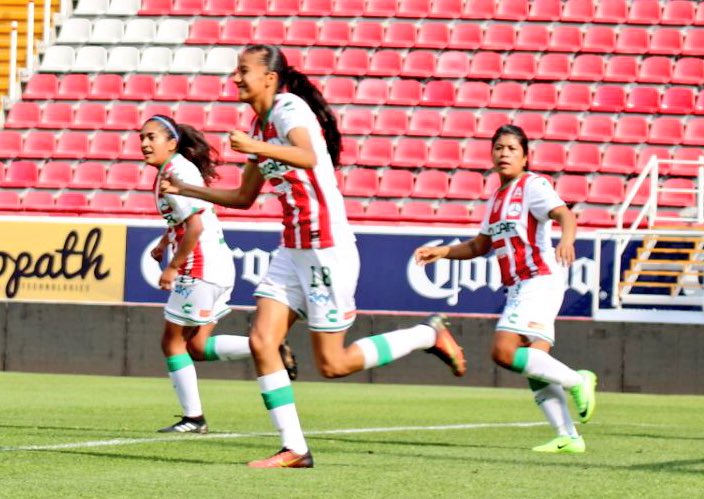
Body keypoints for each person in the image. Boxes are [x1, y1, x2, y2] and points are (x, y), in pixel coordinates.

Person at [160, 44, 466, 468]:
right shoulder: (261, 125)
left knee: (333, 364)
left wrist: (256, 146)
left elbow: (307, 155)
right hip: (292, 249)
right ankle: (295, 449)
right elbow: (244, 198)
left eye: (243, 70)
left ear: (269, 78)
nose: (235, 78)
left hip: (326, 248)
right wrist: (188, 189)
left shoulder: (288, 109)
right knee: (262, 341)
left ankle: (427, 335)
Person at [415, 125, 597, 454]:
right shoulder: (497, 198)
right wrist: (442, 251)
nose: (504, 153)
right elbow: (480, 245)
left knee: (504, 351)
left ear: (525, 157)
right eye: (499, 148)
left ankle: (578, 380)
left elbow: (564, 215)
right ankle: (568, 437)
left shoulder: (533, 185)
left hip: (538, 278)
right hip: (519, 286)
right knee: (535, 362)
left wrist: (567, 240)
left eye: (512, 149)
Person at [140, 114, 296, 434]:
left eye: (151, 137)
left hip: (199, 265)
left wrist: (172, 266)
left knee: (172, 342)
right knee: (197, 347)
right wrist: (164, 242)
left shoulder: (176, 172)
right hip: (218, 263)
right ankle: (268, 346)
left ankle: (193, 419)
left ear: (172, 143)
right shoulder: (176, 168)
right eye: (142, 137)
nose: (144, 143)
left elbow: (195, 226)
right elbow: (188, 218)